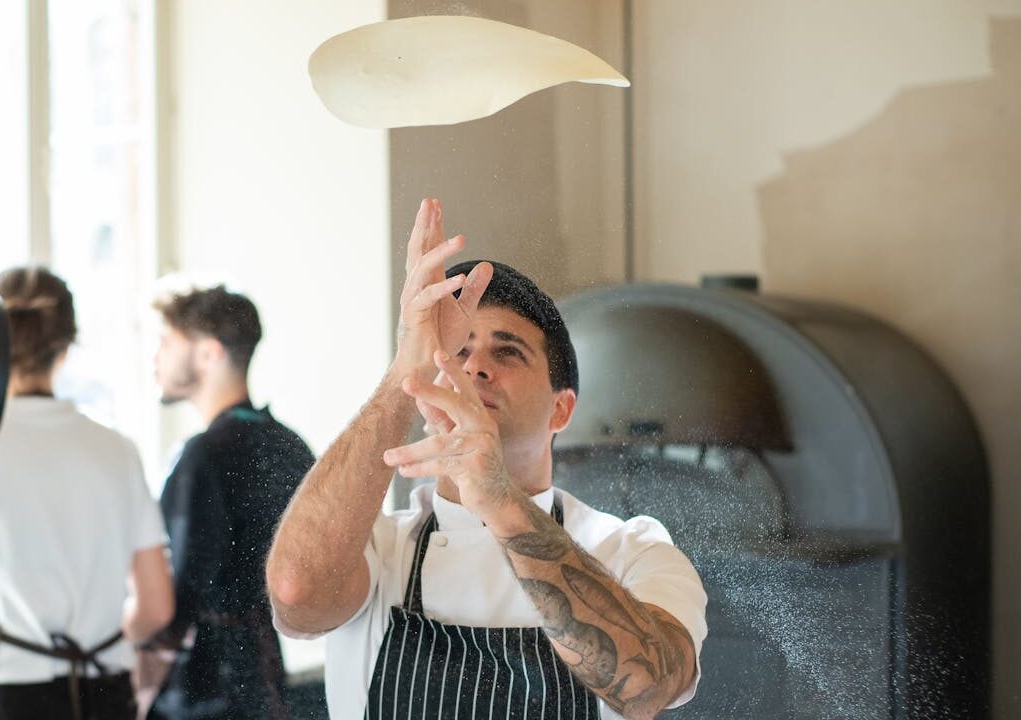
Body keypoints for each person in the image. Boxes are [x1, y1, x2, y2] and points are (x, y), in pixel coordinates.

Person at [266, 199, 708, 720]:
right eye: (457, 352)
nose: (475, 367)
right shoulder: (379, 551)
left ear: (561, 408)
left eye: (507, 352)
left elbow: (648, 686)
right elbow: (297, 597)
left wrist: (498, 497)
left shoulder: (630, 550)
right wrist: (407, 363)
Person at [0, 266, 174, 720]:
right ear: (65, 346)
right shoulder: (117, 450)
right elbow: (156, 607)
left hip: (9, 700)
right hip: (106, 694)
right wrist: (102, 642)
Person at [145, 284, 316, 720]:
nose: (155, 358)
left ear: (208, 353)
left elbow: (176, 595)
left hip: (201, 692)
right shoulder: (290, 446)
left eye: (166, 343)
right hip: (265, 681)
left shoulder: (201, 455)